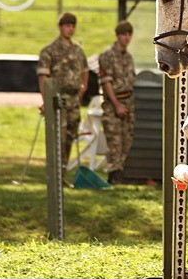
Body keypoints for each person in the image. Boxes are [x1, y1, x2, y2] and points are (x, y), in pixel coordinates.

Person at [37, 12, 89, 170]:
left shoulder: (78, 51)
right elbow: (43, 77)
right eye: (67, 26)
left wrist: (83, 87)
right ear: (60, 27)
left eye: (73, 26)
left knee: (70, 137)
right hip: (57, 100)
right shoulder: (49, 51)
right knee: (57, 137)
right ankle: (55, 173)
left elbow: (85, 70)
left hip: (73, 100)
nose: (70, 29)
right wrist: (46, 100)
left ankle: (63, 171)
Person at [97, 20, 136, 185]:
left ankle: (119, 173)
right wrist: (117, 105)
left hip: (129, 101)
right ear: (117, 36)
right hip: (114, 102)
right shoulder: (107, 56)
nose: (126, 38)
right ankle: (113, 175)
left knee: (127, 139)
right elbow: (106, 83)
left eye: (129, 35)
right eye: (123, 35)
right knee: (114, 141)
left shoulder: (128, 57)